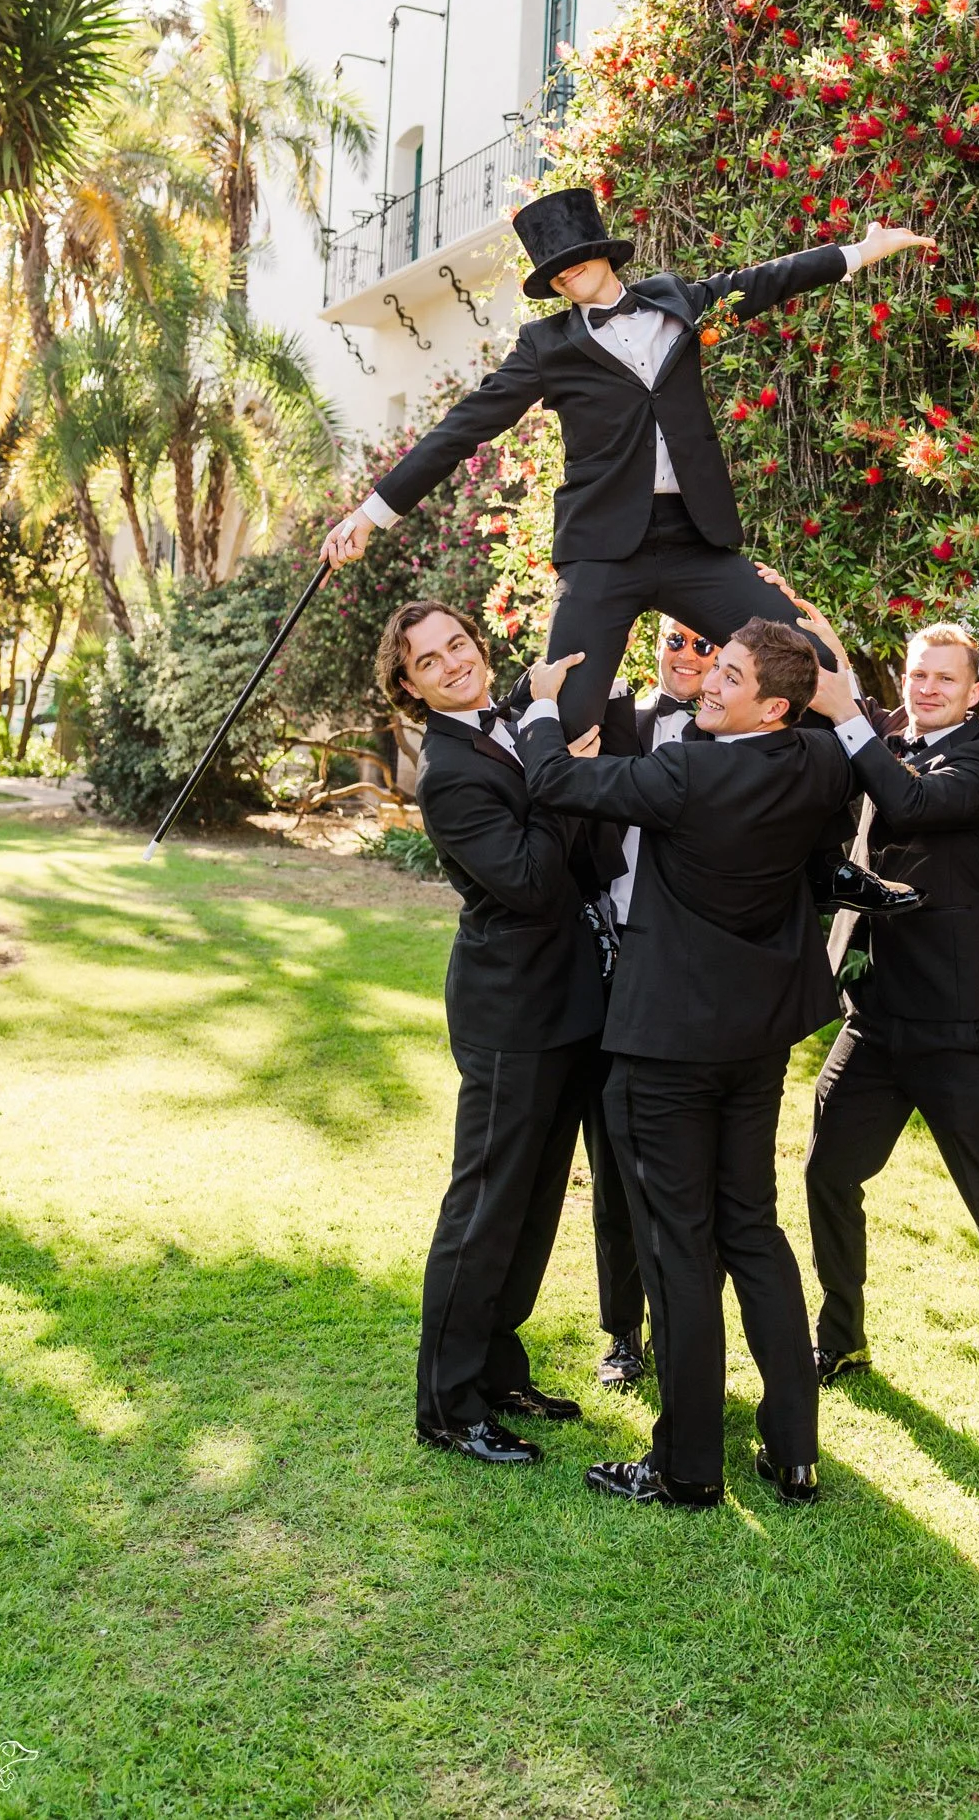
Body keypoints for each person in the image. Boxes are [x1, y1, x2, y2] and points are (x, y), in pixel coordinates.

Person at [321, 186, 933, 735]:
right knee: (564, 719)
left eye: (574, 256)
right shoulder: (544, 346)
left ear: (603, 251)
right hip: (601, 553)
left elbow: (768, 280)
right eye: (552, 270)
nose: (566, 273)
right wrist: (370, 516)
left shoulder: (677, 303)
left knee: (809, 664)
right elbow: (461, 429)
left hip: (695, 542)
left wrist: (862, 250)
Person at [519, 617, 857, 1509]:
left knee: (676, 1246)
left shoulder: (686, 774)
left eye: (731, 675)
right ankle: (793, 1452)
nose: (708, 680)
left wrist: (542, 706)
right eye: (715, 666)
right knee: (753, 1229)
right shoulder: (822, 762)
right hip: (755, 1042)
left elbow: (554, 780)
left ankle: (686, 1466)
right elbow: (850, 743)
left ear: (772, 706)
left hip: (665, 1047)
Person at [798, 605, 979, 1447]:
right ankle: (841, 1339)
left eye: (942, 678)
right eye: (916, 674)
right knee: (826, 1172)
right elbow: (851, 716)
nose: (924, 688)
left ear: (974, 692)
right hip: (875, 1018)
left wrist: (850, 719)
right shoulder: (890, 736)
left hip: (955, 1025)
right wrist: (820, 634)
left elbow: (909, 804)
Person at [381, 599, 608, 1469]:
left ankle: (499, 1371)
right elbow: (527, 880)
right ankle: (446, 1405)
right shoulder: (446, 772)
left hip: (563, 1005)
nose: (452, 664)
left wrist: (543, 712)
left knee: (533, 1205)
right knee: (481, 1208)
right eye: (429, 662)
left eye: (457, 645)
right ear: (409, 686)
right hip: (508, 1013)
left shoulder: (506, 720)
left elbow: (525, 720)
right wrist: (564, 783)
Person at [587, 615, 718, 1390]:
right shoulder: (621, 722)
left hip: (693, 971)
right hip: (614, 956)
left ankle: (685, 1330)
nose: (688, 655)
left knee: (691, 1169)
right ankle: (622, 1333)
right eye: (675, 639)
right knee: (613, 1163)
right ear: (654, 645)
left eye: (705, 644)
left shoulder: (737, 739)